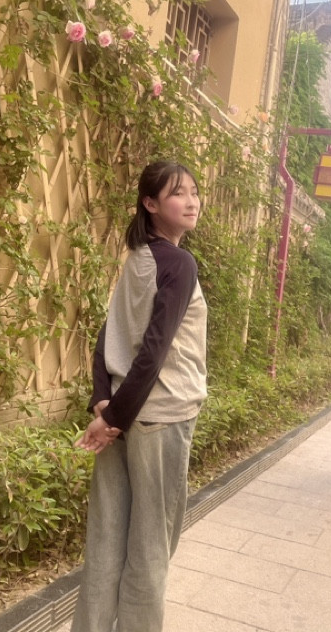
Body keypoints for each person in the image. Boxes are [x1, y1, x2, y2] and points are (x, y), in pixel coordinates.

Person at [70, 160, 207, 632]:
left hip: (121, 413)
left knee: (106, 541)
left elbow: (106, 337)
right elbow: (153, 351)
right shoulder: (178, 264)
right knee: (150, 548)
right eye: (177, 193)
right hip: (159, 417)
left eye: (193, 191)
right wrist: (112, 419)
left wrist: (103, 403)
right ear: (150, 204)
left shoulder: (139, 259)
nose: (191, 202)